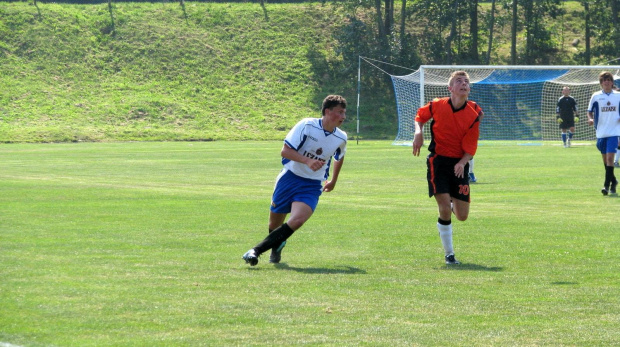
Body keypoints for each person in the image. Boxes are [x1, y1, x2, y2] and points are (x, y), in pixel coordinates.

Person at [242, 95, 348, 266]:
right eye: (340, 112)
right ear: (327, 112)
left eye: (344, 113)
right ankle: (277, 246)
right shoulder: (307, 125)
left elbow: (339, 156)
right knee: (274, 225)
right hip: (289, 178)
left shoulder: (341, 137)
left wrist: (333, 180)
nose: (343, 117)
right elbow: (285, 151)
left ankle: (255, 251)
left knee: (297, 220)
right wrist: (307, 160)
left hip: (312, 184)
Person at [412, 71, 482, 265]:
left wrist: (462, 162)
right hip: (438, 161)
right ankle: (449, 255)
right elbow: (419, 117)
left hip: (459, 164)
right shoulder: (437, 105)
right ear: (450, 88)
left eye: (466, 81)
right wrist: (418, 132)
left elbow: (471, 146)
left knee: (462, 216)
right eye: (458, 81)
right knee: (443, 208)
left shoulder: (475, 112)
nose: (464, 83)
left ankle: (452, 202)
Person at [586, 72, 620, 196]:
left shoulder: (618, 96)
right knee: (606, 161)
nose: (606, 82)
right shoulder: (596, 96)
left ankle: (606, 186)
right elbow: (589, 111)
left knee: (611, 159)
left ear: (612, 82)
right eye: (604, 80)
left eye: (609, 80)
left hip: (614, 132)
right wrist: (590, 119)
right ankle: (614, 181)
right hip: (601, 132)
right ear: (601, 83)